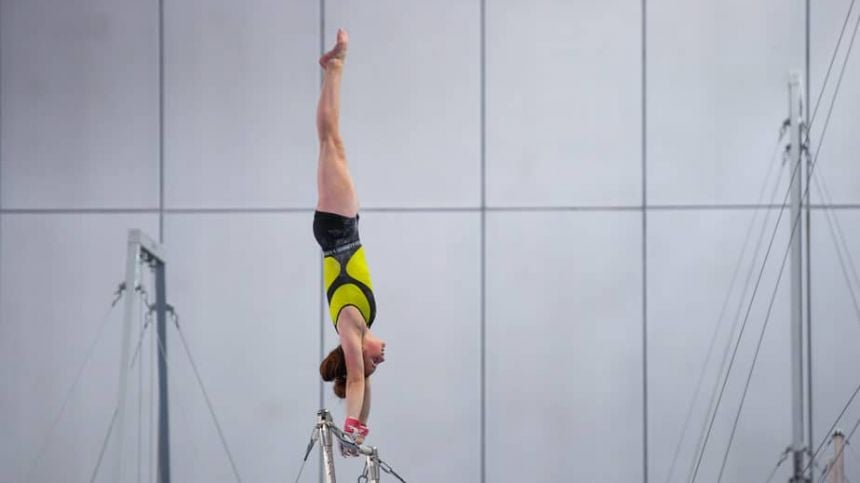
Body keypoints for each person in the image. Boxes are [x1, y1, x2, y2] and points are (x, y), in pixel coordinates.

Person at [314, 28, 386, 454]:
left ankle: (334, 67)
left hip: (337, 232)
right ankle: (333, 69)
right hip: (342, 229)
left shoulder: (350, 329)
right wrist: (361, 423)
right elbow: (364, 383)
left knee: (331, 141)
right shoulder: (359, 328)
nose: (382, 356)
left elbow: (357, 378)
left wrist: (350, 432)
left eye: (376, 360)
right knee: (331, 145)